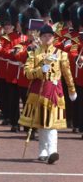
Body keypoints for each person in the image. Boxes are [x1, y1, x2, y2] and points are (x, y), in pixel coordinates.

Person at [19, 25, 77, 164]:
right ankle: (43, 150)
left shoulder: (61, 54)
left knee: (51, 123)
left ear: (53, 38)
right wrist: (40, 70)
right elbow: (27, 73)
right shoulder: (34, 53)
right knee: (40, 122)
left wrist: (71, 89)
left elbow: (67, 73)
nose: (47, 38)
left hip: (54, 90)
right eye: (44, 36)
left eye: (49, 36)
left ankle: (52, 150)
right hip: (38, 89)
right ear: (40, 37)